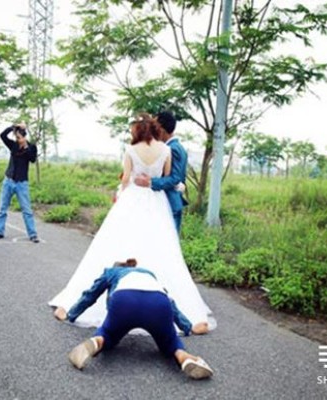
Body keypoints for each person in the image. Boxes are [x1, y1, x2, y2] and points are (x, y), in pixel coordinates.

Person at [49, 113, 215, 331]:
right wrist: (151, 181)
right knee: (162, 250)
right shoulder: (165, 150)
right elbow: (166, 175)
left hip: (132, 200)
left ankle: (84, 305)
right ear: (155, 129)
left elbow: (126, 179)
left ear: (137, 130)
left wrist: (120, 194)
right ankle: (180, 315)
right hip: (156, 204)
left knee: (116, 244)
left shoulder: (130, 150)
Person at [53, 259, 214, 380]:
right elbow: (169, 302)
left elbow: (90, 295)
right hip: (158, 303)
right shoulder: (148, 274)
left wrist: (70, 315)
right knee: (170, 341)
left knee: (108, 332)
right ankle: (183, 357)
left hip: (124, 301)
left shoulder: (111, 272)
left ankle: (97, 342)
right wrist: (187, 327)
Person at [134, 110, 188, 233]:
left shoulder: (173, 148)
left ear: (162, 130)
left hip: (170, 202)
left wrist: (150, 182)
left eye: (156, 127)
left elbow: (175, 178)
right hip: (168, 201)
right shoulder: (175, 147)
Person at [0, 122, 40, 243]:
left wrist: (26, 146)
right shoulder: (13, 145)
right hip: (8, 181)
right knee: (2, 209)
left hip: (22, 183)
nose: (18, 139)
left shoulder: (32, 147)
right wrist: (13, 127)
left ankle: (32, 234)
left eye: (19, 137)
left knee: (27, 211)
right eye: (16, 137)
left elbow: (32, 159)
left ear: (24, 137)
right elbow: (2, 135)